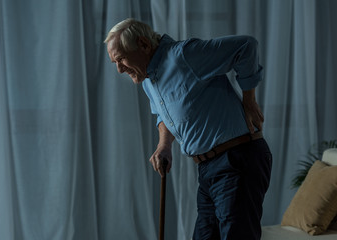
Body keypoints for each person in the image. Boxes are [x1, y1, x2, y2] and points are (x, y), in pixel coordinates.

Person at [104, 18, 272, 240]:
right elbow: (163, 115)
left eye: (121, 58)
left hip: (236, 159)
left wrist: (248, 100)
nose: (119, 69)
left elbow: (246, 46)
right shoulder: (148, 80)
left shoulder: (183, 55)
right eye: (115, 62)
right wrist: (164, 145)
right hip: (208, 168)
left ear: (143, 44)